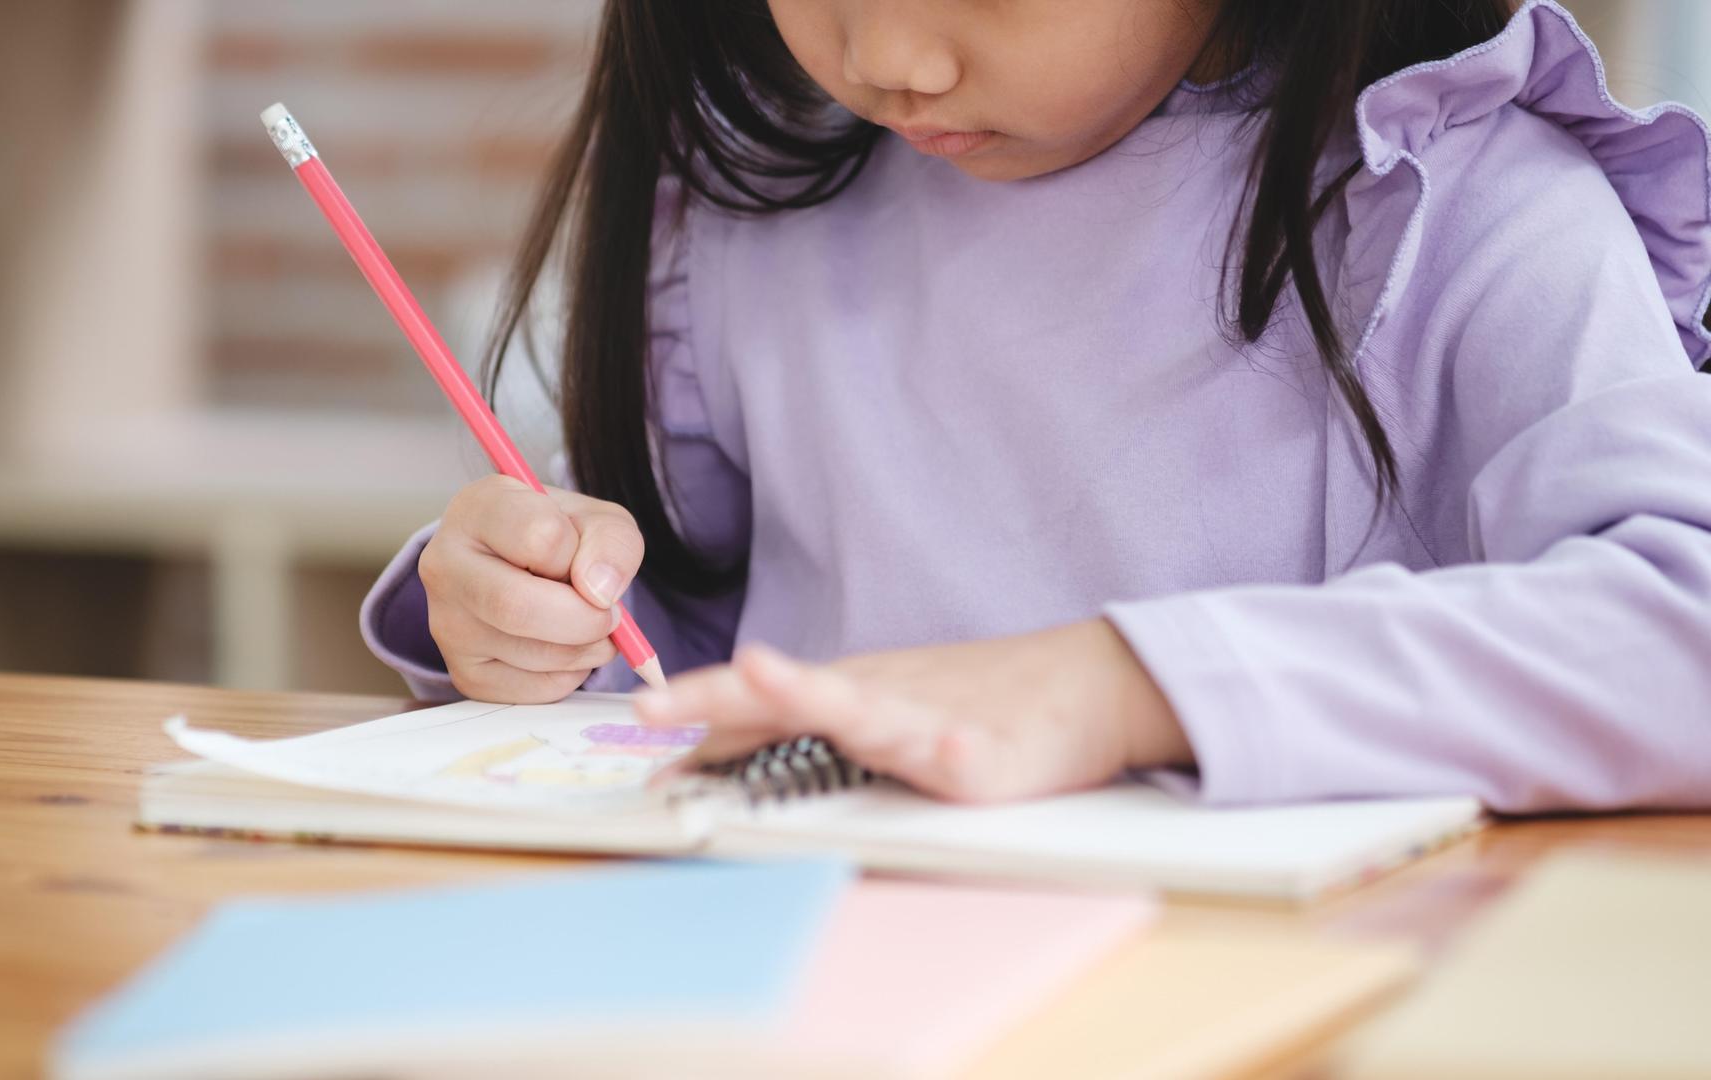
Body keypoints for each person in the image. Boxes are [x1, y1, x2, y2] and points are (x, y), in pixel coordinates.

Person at [363, 0, 1711, 811]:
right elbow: (697, 641)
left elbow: (1682, 632)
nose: (890, 54)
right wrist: (533, 613)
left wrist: (1118, 689)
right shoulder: (754, 211)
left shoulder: (1460, 205)